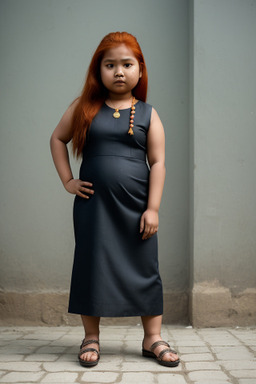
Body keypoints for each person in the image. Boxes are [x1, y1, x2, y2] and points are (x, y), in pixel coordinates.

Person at [50, 31, 179, 368]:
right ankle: (91, 337)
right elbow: (57, 138)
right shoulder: (83, 108)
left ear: (140, 70)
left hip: (137, 208)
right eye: (110, 65)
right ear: (98, 70)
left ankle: (152, 338)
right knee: (92, 264)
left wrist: (152, 208)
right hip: (94, 207)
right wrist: (67, 180)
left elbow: (159, 162)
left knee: (145, 266)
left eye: (127, 64)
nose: (119, 72)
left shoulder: (149, 113)